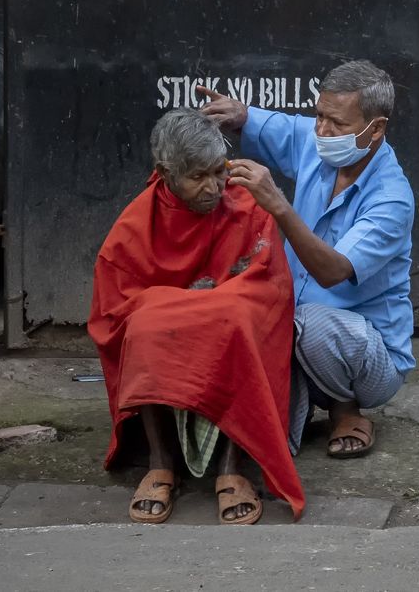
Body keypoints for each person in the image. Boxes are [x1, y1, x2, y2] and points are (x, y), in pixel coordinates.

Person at [88, 108, 305, 525]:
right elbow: (115, 306)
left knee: (237, 319)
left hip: (229, 317)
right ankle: (161, 462)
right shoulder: (138, 221)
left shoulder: (248, 205)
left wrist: (198, 304)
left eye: (219, 172)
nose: (213, 187)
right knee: (144, 326)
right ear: (166, 173)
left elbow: (270, 288)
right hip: (173, 325)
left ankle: (231, 466)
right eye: (197, 177)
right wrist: (186, 305)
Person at [199, 59, 416, 459]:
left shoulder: (392, 199)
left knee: (307, 323)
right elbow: (277, 126)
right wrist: (239, 114)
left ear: (376, 129)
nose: (322, 130)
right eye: (319, 116)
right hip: (301, 333)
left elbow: (333, 271)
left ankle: (345, 408)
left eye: (337, 123)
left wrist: (279, 206)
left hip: (372, 359)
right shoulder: (320, 143)